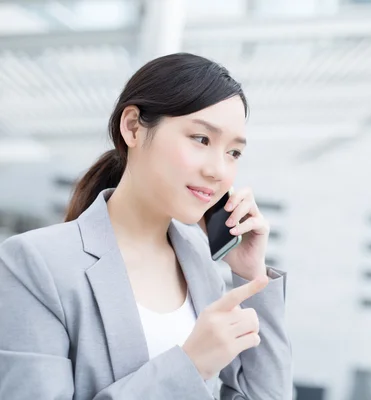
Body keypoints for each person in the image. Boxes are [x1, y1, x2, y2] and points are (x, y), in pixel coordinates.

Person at [0, 53, 292, 399]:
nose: (218, 170)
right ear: (133, 127)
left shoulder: (199, 262)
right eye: (201, 139)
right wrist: (190, 366)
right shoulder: (34, 264)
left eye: (234, 153)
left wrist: (251, 273)